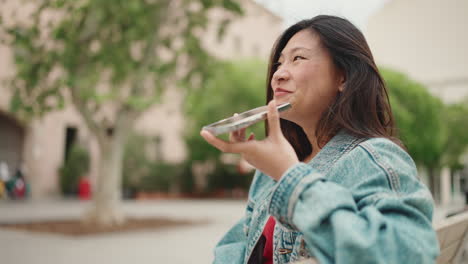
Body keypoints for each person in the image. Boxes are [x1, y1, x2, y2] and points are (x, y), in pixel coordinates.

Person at [200, 15, 439, 264]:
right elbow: (237, 246)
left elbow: (410, 254)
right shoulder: (271, 169)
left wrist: (290, 176)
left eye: (298, 58)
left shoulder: (374, 159)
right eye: (279, 63)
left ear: (343, 77)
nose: (278, 74)